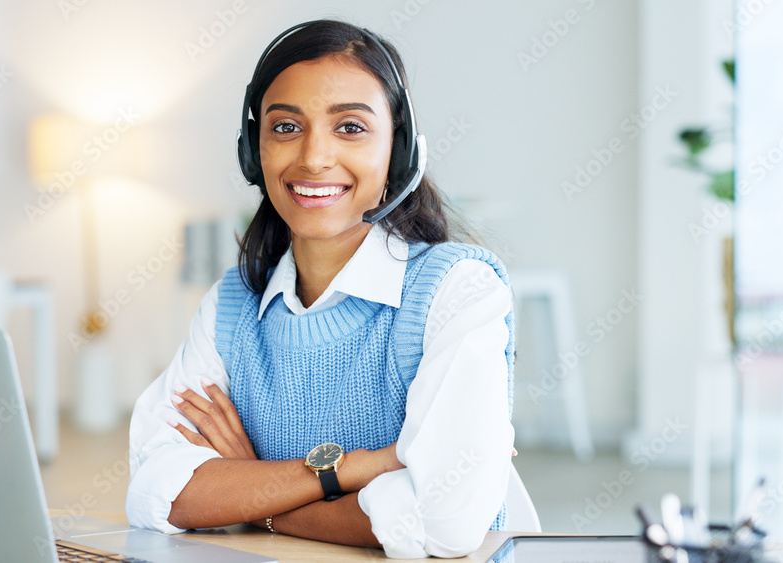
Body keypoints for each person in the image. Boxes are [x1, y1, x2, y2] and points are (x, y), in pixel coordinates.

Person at [126, 19, 516, 558]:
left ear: (397, 152)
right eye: (285, 127)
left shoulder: (456, 290)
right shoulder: (231, 305)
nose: (313, 158)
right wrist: (358, 468)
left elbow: (441, 520)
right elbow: (155, 490)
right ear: (251, 151)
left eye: (350, 127)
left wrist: (249, 492)